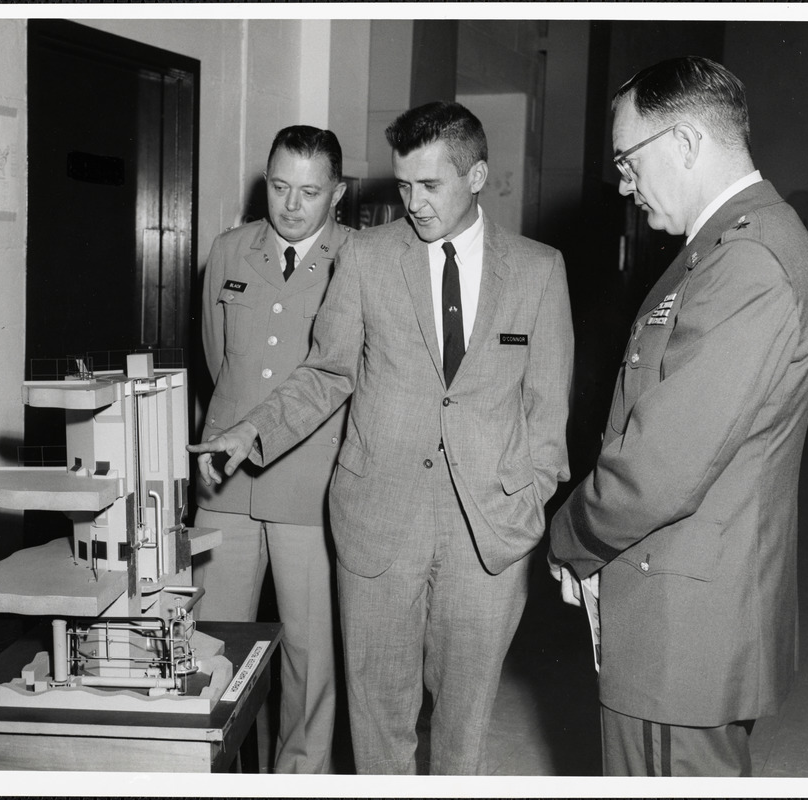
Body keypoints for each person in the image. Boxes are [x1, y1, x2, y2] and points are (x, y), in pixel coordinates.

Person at [189, 101, 573, 774]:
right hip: (377, 516)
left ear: (477, 175)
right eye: (403, 185)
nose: (413, 202)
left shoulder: (540, 270)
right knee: (377, 715)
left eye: (431, 186)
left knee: (464, 719)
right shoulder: (366, 257)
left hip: (488, 527)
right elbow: (327, 372)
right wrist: (251, 431)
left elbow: (548, 409)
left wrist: (528, 502)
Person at [548, 56, 808, 777]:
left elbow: (659, 467)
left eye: (626, 159)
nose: (621, 182)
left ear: (682, 144)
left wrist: (570, 537)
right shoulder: (724, 248)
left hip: (681, 633)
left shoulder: (748, 263)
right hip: (675, 609)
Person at [194, 125, 350, 774]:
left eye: (309, 192)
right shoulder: (231, 251)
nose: (290, 205)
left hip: (310, 486)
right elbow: (217, 356)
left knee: (308, 659)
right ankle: (217, 772)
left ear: (337, 194)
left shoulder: (361, 260)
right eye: (280, 187)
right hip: (225, 483)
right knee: (210, 644)